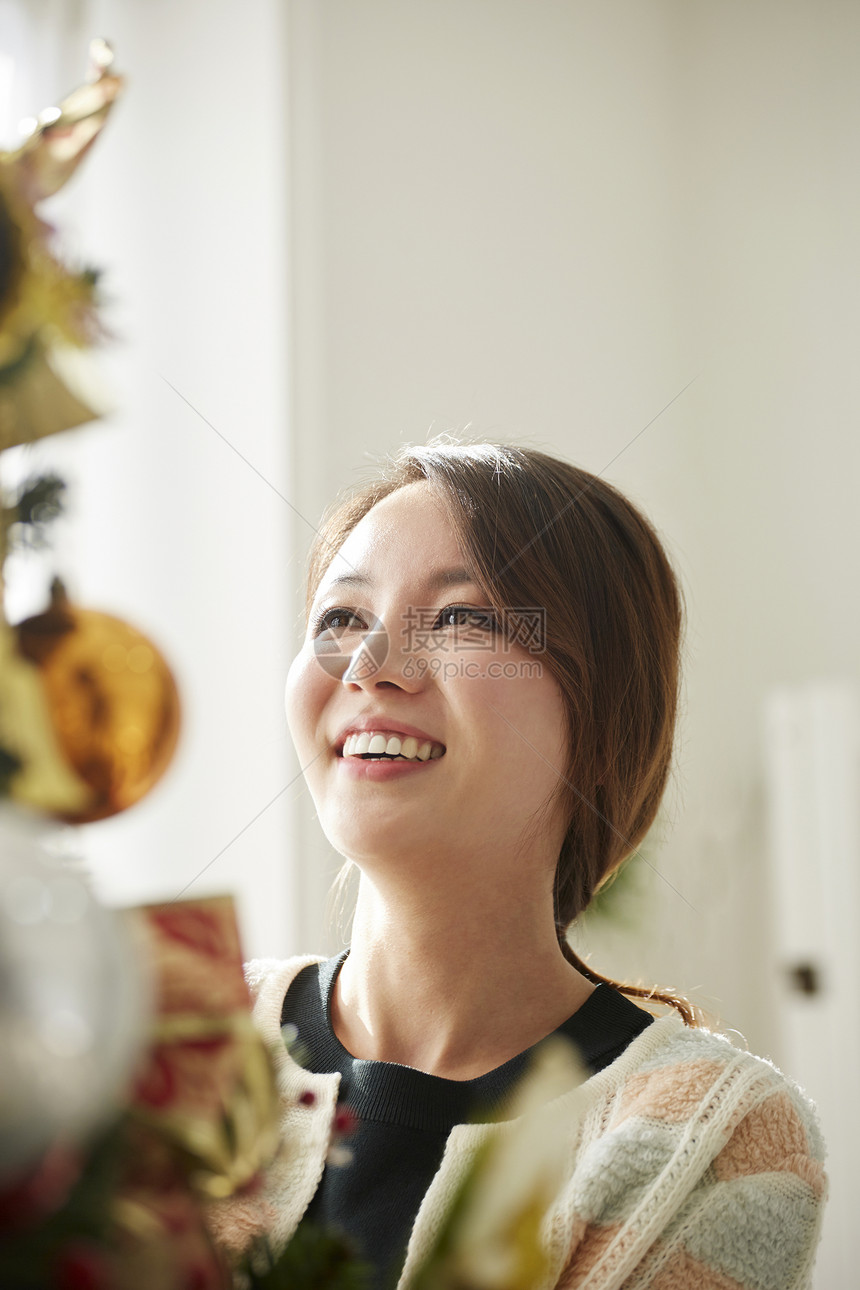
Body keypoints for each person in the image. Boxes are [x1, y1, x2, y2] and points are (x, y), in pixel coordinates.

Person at [213, 440, 826, 1289]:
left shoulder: (716, 1138)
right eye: (341, 618)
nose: (366, 667)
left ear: (603, 720)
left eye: (463, 618)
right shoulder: (170, 1041)